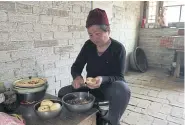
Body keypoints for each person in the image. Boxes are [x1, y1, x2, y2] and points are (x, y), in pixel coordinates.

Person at [58, 8, 131, 125]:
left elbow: (119, 77)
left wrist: (102, 79)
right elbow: (76, 67)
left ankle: (112, 121)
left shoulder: (118, 49)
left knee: (122, 89)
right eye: (90, 34)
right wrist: (77, 77)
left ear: (108, 31)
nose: (94, 38)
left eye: (98, 34)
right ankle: (81, 119)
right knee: (63, 92)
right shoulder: (88, 45)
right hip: (90, 87)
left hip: (109, 88)